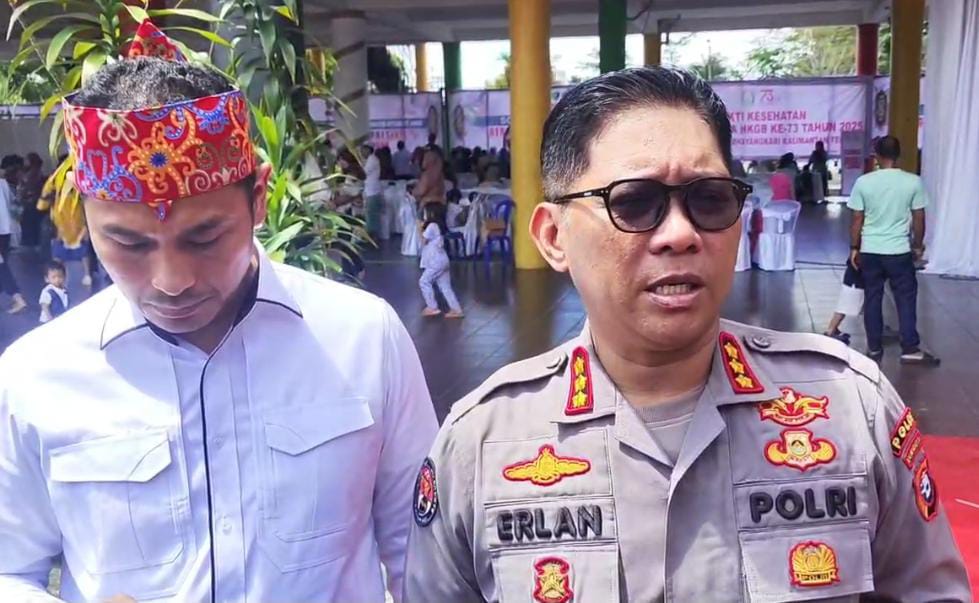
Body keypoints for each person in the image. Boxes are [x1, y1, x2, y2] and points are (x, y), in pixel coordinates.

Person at [402, 67, 969, 602]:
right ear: (554, 237)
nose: (680, 234)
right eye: (633, 201)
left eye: (709, 199)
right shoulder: (480, 445)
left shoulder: (850, 408)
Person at [0, 21, 437, 603]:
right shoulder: (35, 375)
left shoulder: (363, 338)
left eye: (204, 237)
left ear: (258, 199)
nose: (171, 281)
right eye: (128, 243)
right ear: (85, 214)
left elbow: (423, 558)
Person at [849, 135, 938, 366]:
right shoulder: (913, 182)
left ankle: (874, 348)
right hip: (899, 251)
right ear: (899, 155)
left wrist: (854, 247)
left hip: (870, 250)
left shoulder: (864, 182)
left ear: (877, 156)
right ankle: (909, 348)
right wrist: (917, 245)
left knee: (872, 298)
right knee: (905, 299)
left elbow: (857, 219)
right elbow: (919, 217)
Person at [418, 203, 463, 319]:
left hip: (435, 261)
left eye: (426, 212)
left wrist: (420, 227)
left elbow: (423, 240)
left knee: (424, 281)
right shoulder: (438, 225)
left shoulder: (432, 226)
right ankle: (456, 309)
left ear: (431, 213)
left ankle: (432, 307)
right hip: (442, 260)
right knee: (445, 286)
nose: (424, 214)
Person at [0, 155, 26, 314]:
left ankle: (18, 298)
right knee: (2, 264)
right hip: (6, 230)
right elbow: (14, 203)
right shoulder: (3, 184)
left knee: (1, 266)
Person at [17, 152, 46, 251]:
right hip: (36, 208)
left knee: (31, 238)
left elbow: (22, 193)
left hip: (32, 209)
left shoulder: (29, 176)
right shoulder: (37, 175)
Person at [362, 143, 384, 236]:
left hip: (372, 191)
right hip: (371, 190)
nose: (361, 153)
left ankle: (373, 236)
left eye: (363, 150)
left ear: (368, 150)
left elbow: (363, 173)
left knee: (372, 215)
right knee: (371, 215)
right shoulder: (370, 160)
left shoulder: (372, 160)